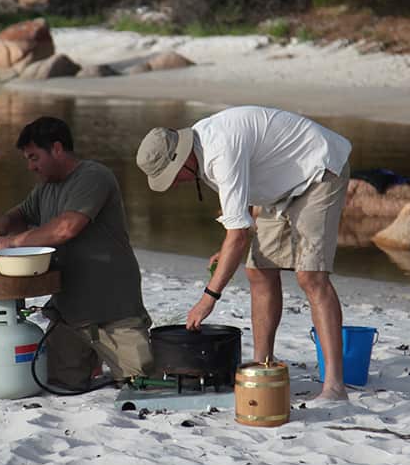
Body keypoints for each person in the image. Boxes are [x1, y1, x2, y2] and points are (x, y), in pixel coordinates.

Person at [136, 105, 352, 401]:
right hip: (279, 187)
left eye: (172, 176)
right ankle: (263, 365)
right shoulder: (202, 151)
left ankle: (335, 386)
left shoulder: (218, 152)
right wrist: (225, 249)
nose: (174, 184)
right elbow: (242, 205)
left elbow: (237, 236)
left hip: (318, 170)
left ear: (182, 157)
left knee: (310, 277)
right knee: (257, 271)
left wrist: (207, 299)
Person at [0, 116, 152, 390]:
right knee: (61, 383)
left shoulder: (94, 176)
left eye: (34, 157)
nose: (31, 167)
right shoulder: (45, 188)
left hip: (114, 309)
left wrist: (14, 242)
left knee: (141, 382)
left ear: (57, 148)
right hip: (69, 314)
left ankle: (105, 358)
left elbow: (67, 228)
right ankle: (90, 360)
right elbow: (19, 214)